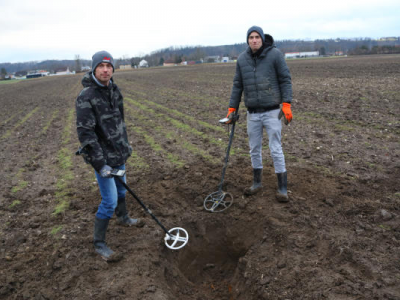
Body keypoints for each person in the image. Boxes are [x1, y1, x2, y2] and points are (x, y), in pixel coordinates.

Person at [76, 50, 143, 260]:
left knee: (122, 188)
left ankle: (124, 218)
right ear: (94, 69)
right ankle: (99, 243)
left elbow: (120, 122)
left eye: (109, 66)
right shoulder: (86, 97)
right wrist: (100, 163)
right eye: (101, 66)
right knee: (109, 200)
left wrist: (125, 147)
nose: (105, 70)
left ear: (112, 69)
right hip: (103, 159)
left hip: (118, 153)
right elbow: (86, 134)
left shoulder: (115, 90)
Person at [224, 26, 293, 202]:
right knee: (254, 148)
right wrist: (232, 109)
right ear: (247, 40)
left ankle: (282, 187)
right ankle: (257, 183)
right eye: (251, 37)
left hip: (272, 111)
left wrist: (286, 104)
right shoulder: (242, 59)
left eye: (257, 37)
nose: (254, 40)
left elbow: (285, 79)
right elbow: (237, 85)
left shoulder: (275, 55)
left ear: (262, 39)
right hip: (252, 113)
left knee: (275, 148)